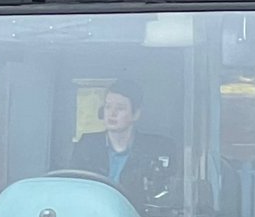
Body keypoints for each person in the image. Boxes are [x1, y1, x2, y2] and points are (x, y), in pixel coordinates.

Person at [68, 78, 177, 209]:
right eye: (108, 107)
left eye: (120, 108)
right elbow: (73, 188)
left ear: (135, 114)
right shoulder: (86, 146)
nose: (112, 114)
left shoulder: (158, 149)